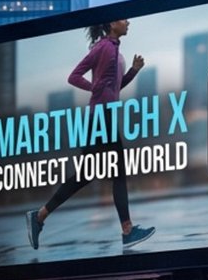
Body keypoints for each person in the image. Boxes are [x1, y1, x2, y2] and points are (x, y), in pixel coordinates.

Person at [25, 19, 155, 253]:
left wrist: (134, 71)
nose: (128, 22)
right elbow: (74, 76)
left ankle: (40, 216)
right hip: (100, 117)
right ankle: (127, 230)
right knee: (118, 171)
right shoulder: (103, 48)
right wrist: (93, 87)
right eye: (123, 19)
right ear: (111, 24)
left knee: (86, 175)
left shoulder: (115, 50)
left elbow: (115, 88)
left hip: (104, 116)